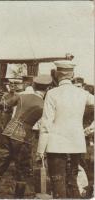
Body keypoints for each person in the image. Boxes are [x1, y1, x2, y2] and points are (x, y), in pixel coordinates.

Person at [37, 61, 94, 198]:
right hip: (76, 144)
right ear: (72, 75)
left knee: (58, 182)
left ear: (56, 75)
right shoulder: (83, 93)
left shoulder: (52, 94)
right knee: (72, 180)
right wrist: (92, 127)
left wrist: (40, 151)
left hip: (56, 145)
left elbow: (45, 125)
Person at [0, 75, 52, 198]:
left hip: (7, 132)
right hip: (23, 138)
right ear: (47, 89)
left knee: (0, 165)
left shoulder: (21, 95)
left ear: (34, 85)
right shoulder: (44, 105)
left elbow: (5, 104)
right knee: (22, 170)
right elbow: (47, 124)